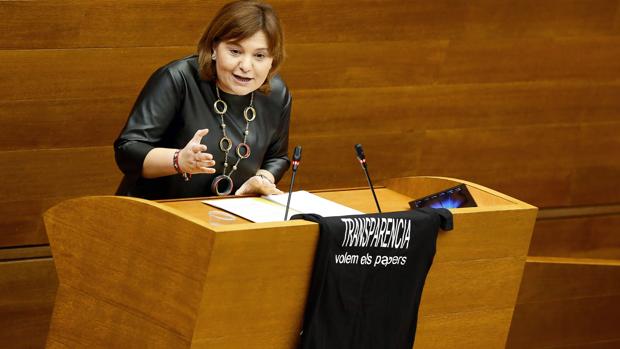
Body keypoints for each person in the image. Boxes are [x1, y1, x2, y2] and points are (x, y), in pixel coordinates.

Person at [114, 0, 290, 199]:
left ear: (272, 59)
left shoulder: (276, 93)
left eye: (259, 56)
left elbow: (277, 157)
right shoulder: (178, 78)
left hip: (227, 216)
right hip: (153, 212)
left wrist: (263, 179)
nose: (246, 66)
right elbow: (128, 150)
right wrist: (178, 160)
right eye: (235, 51)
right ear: (214, 48)